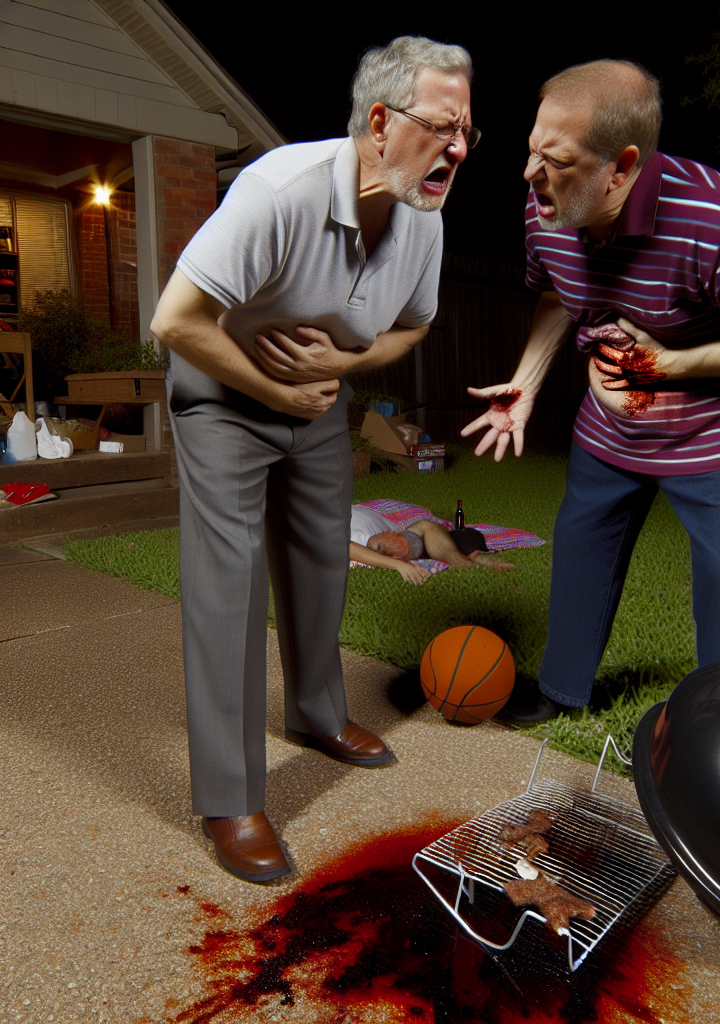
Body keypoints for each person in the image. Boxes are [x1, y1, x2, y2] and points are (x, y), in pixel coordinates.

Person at [150, 36, 477, 882]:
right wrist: (274, 386)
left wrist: (337, 368)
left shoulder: (424, 221)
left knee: (321, 558)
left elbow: (414, 325)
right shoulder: (279, 190)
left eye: (468, 130)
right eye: (444, 126)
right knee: (230, 581)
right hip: (223, 393)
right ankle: (229, 795)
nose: (460, 147)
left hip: (318, 401)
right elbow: (175, 321)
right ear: (380, 122)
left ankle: (316, 714)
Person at [462, 60, 720, 722]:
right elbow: (553, 295)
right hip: (610, 425)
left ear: (620, 168)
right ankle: (561, 691)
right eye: (531, 150)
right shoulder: (548, 205)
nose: (530, 174)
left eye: (555, 159)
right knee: (581, 542)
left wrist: (668, 367)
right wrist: (528, 382)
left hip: (716, 427)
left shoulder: (711, 215)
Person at [348, 504, 513, 583]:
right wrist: (398, 565)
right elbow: (346, 547)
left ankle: (465, 561)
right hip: (380, 536)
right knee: (382, 543)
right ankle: (468, 565)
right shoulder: (361, 537)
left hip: (392, 526)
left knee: (432, 528)